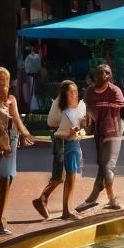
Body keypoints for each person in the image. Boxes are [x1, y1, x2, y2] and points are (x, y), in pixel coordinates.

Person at [0, 67, 37, 235]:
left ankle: (0, 222)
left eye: (6, 80)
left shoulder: (11, 100)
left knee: (7, 177)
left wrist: (27, 135)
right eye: (0, 80)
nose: (4, 84)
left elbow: (17, 119)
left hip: (10, 140)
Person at [76, 63, 124, 213]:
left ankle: (110, 198)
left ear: (111, 75)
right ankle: (97, 195)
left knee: (107, 166)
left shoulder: (115, 91)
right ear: (95, 75)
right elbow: (87, 109)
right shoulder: (90, 92)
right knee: (102, 164)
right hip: (99, 131)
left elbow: (120, 109)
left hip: (113, 131)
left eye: (107, 72)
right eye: (101, 72)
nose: (104, 75)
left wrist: (99, 109)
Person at [35, 81, 87, 221]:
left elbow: (82, 123)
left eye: (76, 92)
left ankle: (61, 207)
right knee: (62, 176)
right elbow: (52, 122)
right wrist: (67, 127)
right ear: (64, 94)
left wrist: (81, 125)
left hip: (73, 141)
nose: (74, 95)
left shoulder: (78, 106)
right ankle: (61, 207)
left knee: (69, 175)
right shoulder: (60, 106)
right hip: (63, 141)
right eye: (71, 92)